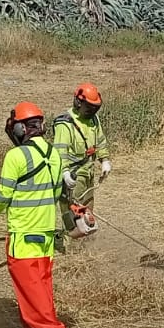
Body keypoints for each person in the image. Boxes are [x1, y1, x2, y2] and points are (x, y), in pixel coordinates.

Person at [0, 101, 72, 328]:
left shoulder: (15, 156)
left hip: (23, 236)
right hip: (46, 234)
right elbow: (55, 193)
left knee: (32, 291)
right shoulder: (53, 154)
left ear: (19, 128)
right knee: (41, 289)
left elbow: (2, 196)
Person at [52, 83, 110, 240]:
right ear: (78, 102)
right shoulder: (65, 124)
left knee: (88, 211)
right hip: (72, 177)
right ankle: (69, 245)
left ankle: (85, 243)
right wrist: (64, 173)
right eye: (89, 108)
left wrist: (104, 159)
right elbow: (60, 151)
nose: (92, 111)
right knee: (73, 216)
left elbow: (100, 140)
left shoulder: (93, 120)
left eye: (95, 108)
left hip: (88, 172)